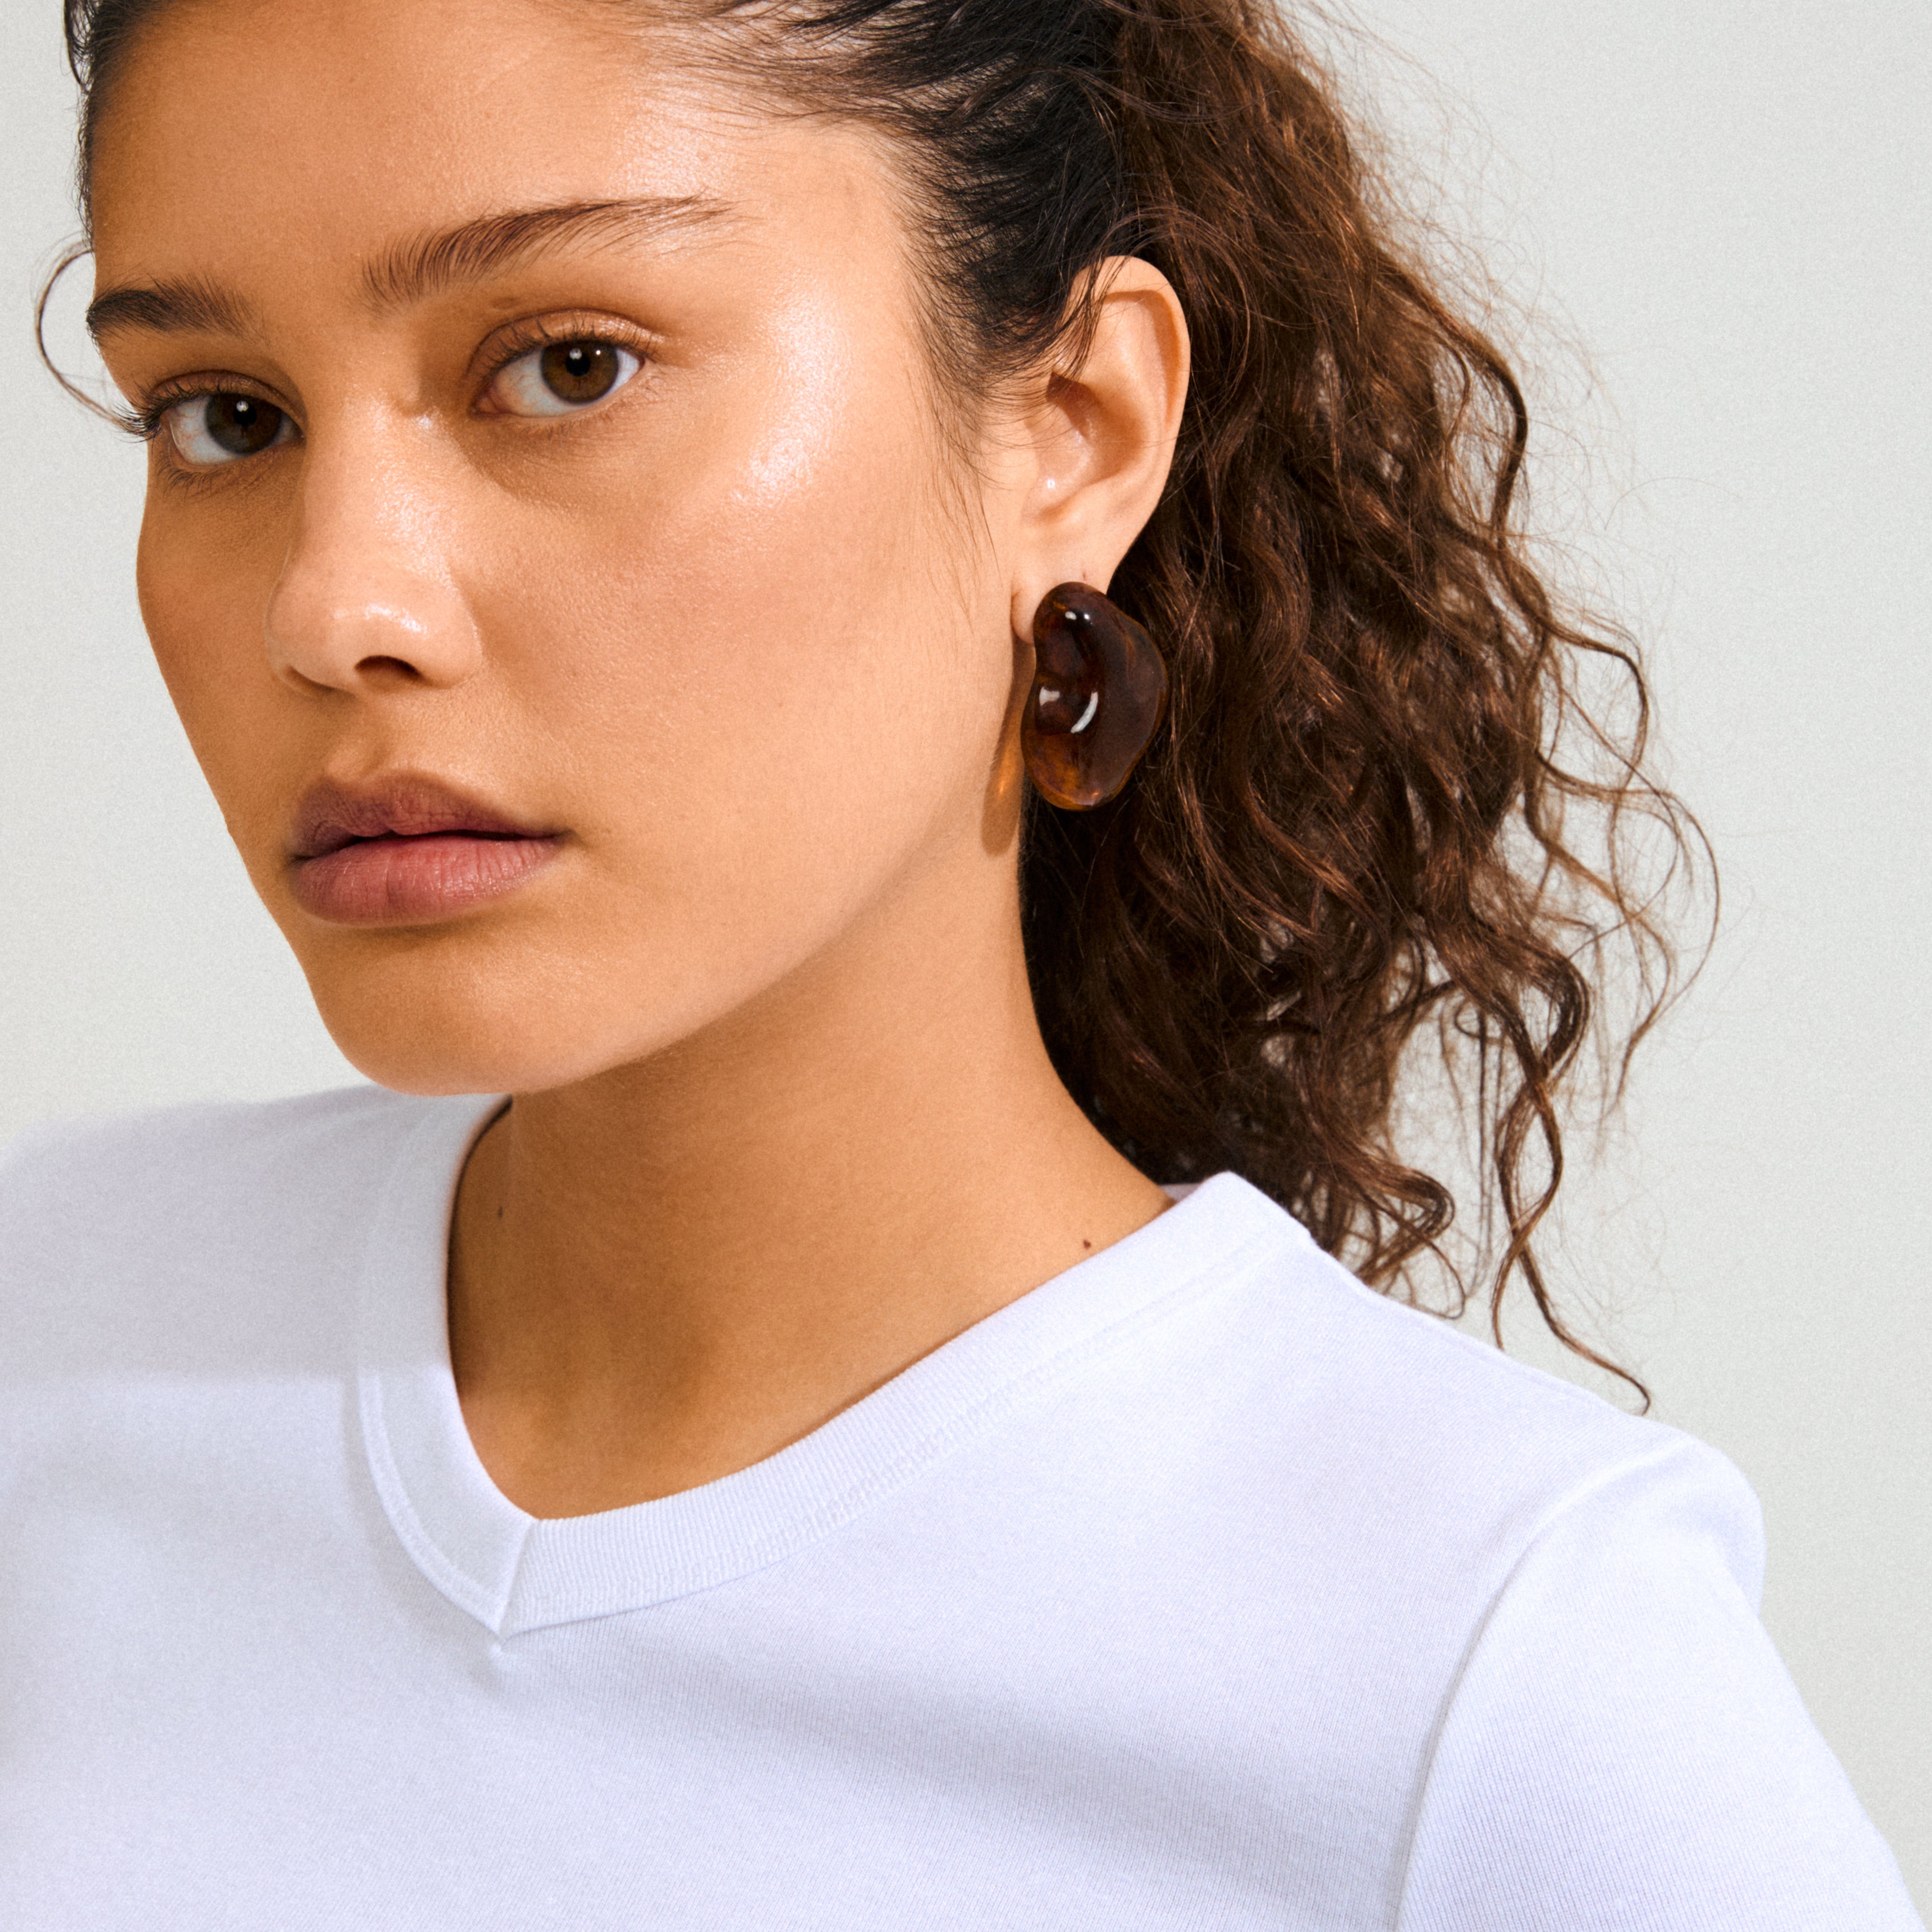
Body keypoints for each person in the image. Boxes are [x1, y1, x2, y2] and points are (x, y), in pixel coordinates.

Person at [1, 0, 1919, 1923]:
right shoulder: (48, 1339)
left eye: (568, 366)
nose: (338, 607)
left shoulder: (1484, 1673)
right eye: (224, 415)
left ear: (1072, 431)